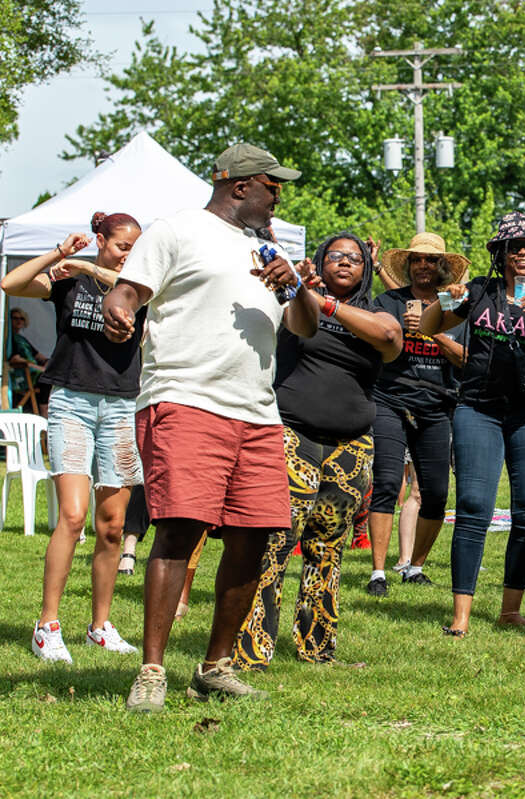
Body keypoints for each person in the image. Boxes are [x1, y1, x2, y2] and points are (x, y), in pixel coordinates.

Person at [102, 142, 311, 711]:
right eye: (274, 186)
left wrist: (293, 285)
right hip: (186, 399)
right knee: (180, 528)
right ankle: (151, 670)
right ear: (241, 186)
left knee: (256, 535)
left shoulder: (269, 251)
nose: (278, 197)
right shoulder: (177, 231)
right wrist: (118, 311)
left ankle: (215, 666)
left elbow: (306, 326)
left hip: (257, 412)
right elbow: (127, 290)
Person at [232, 232, 401, 670]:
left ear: (366, 268)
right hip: (292, 438)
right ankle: (252, 651)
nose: (344, 263)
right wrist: (299, 288)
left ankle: (317, 649)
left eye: (355, 258)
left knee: (327, 549)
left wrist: (327, 303)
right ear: (320, 261)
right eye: (335, 256)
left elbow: (390, 337)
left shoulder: (377, 312)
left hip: (350, 448)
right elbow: (287, 317)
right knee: (274, 543)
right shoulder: (298, 304)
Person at [421, 212, 525, 637]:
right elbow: (429, 326)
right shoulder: (479, 292)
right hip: (479, 408)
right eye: (514, 246)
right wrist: (447, 298)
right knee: (474, 505)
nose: (523, 252)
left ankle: (511, 610)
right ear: (501, 253)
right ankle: (461, 615)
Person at [1, 212, 146, 663]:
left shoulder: (141, 287)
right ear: (101, 240)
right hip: (71, 404)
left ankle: (99, 626)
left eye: (135, 248)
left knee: (113, 526)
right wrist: (62, 255)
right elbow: (11, 284)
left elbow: (125, 280)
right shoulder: (69, 283)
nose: (129, 255)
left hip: (122, 406)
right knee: (72, 515)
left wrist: (87, 266)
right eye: (122, 246)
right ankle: (47, 625)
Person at [366, 233, 468, 595]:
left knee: (437, 493)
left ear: (442, 266)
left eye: (430, 260)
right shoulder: (388, 300)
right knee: (388, 482)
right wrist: (396, 332)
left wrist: (431, 330)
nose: (423, 265)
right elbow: (373, 339)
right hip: (390, 399)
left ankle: (415, 566)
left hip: (438, 404)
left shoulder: (457, 307)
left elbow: (465, 360)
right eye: (416, 260)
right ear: (408, 265)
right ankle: (378, 572)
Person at [8, 307, 49, 413]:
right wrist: (39, 368)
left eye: (21, 318)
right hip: (22, 374)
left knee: (52, 375)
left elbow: (38, 356)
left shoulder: (22, 339)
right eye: (15, 318)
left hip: (33, 372)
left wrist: (50, 362)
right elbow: (15, 359)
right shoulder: (9, 338)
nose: (19, 321)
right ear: (9, 320)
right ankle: (44, 414)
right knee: (45, 378)